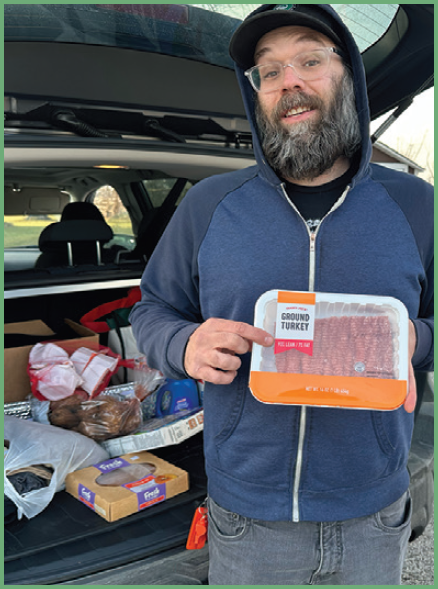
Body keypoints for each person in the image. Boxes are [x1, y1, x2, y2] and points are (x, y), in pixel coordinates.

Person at [130, 4, 434, 585]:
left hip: (372, 509)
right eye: (269, 72)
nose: (288, 80)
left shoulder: (418, 207)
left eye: (310, 60)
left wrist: (408, 339)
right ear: (258, 96)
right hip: (248, 516)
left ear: (349, 77)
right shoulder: (209, 204)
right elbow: (152, 309)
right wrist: (183, 342)